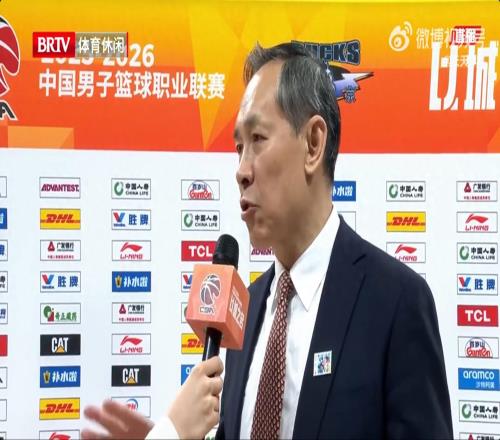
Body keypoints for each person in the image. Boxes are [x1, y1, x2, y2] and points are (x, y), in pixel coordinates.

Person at [83, 42, 453, 439]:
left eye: (258, 139)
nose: (241, 171)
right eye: (238, 148)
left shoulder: (395, 301)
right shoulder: (246, 308)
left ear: (313, 144)